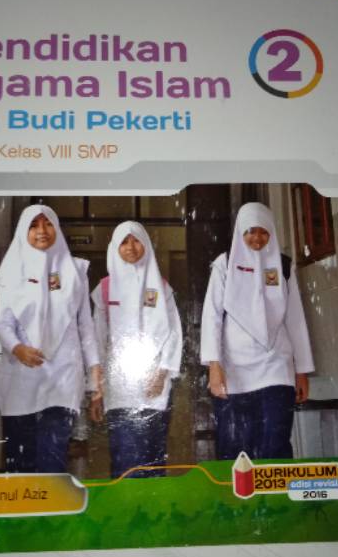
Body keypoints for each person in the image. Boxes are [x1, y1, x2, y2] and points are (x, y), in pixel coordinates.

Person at [0, 204, 102, 473]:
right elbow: (2, 323)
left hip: (63, 376)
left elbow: (85, 326)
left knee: (53, 458)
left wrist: (95, 373)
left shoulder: (76, 270)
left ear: (57, 228)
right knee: (20, 460)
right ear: (23, 231)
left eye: (48, 223)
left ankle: (52, 501)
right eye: (33, 225)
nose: (42, 230)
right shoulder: (12, 269)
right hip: (20, 375)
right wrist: (18, 348)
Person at [200, 202, 314, 460]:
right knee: (235, 449)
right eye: (251, 231)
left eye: (264, 231)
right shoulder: (224, 264)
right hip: (234, 370)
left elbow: (295, 319)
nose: (257, 238)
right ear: (240, 232)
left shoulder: (283, 265)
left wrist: (302, 371)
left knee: (275, 445)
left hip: (277, 367)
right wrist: (214, 366)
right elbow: (212, 316)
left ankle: (277, 488)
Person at [90, 221, 183, 478]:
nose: (130, 247)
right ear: (115, 247)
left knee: (153, 455)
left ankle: (152, 503)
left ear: (146, 244)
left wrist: (162, 373)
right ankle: (126, 502)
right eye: (124, 242)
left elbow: (174, 333)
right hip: (119, 388)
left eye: (136, 240)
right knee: (125, 456)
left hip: (155, 386)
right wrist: (96, 390)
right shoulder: (104, 288)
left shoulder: (162, 287)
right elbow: (97, 340)